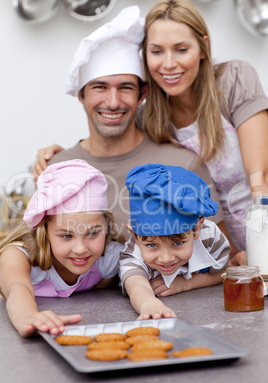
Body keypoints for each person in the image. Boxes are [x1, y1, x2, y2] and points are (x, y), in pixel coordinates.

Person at [31, 6, 231, 253]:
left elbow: (223, 255)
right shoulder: (55, 170)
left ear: (142, 94)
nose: (113, 102)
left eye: (125, 87)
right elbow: (31, 252)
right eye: (100, 87)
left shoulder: (184, 165)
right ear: (81, 96)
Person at [139, 0, 268, 251]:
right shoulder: (147, 117)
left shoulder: (234, 79)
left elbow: (260, 177)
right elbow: (109, 150)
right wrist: (58, 153)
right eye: (156, 51)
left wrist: (259, 254)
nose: (168, 64)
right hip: (215, 258)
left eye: (181, 49)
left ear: (203, 47)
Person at [0, 159, 124, 337]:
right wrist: (27, 316)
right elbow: (17, 288)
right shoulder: (19, 256)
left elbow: (143, 272)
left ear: (107, 222)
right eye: (66, 236)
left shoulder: (111, 255)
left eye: (93, 233)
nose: (81, 249)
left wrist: (178, 283)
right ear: (44, 227)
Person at [119, 163, 230, 319]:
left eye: (177, 243)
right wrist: (149, 304)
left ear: (197, 228)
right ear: (135, 235)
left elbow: (226, 271)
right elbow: (135, 284)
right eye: (152, 245)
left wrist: (185, 284)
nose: (166, 258)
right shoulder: (132, 253)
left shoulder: (211, 239)